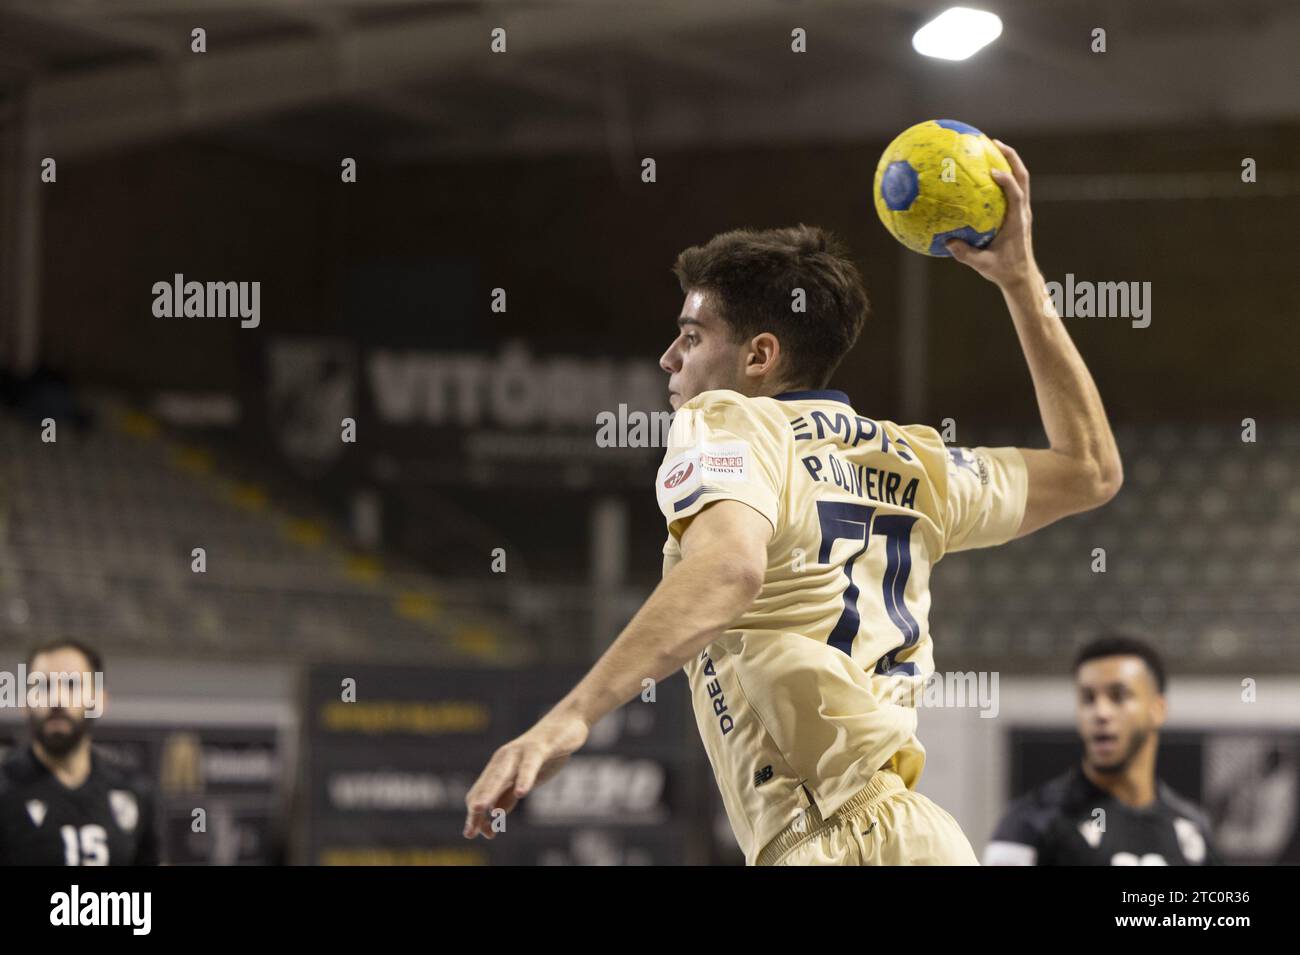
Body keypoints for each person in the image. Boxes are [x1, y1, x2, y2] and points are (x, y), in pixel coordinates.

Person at [464, 141, 1123, 865]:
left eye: (691, 336)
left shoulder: (726, 419)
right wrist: (1023, 280)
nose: (669, 358)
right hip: (920, 837)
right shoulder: (916, 459)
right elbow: (1090, 468)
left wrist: (565, 721)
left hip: (827, 837)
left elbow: (728, 569)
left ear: (759, 357)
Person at [984, 634, 1221, 865]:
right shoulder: (1031, 822)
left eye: (1118, 696)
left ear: (1157, 709)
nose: (1100, 712)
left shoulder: (1192, 828)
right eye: (1088, 698)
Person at [0, 639, 160, 865]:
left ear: (98, 700)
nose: (57, 700)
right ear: (25, 702)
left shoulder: (135, 790)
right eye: (43, 686)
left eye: (72, 685)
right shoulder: (5, 790)